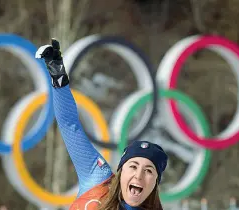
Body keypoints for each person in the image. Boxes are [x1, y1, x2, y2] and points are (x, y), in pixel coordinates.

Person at [35, 39, 168, 210]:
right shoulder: (97, 178)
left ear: (156, 183)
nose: (139, 175)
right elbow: (69, 124)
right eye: (133, 166)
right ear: (121, 172)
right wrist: (58, 75)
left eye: (149, 170)